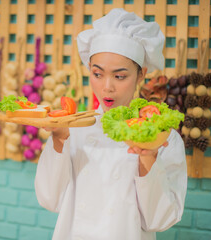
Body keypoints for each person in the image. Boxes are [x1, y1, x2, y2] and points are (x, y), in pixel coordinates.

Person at [35, 8, 187, 240]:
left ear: (140, 74)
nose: (107, 87)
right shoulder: (73, 129)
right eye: (97, 74)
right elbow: (49, 199)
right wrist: (59, 139)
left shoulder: (163, 136)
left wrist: (148, 158)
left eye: (119, 76)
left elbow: (160, 221)